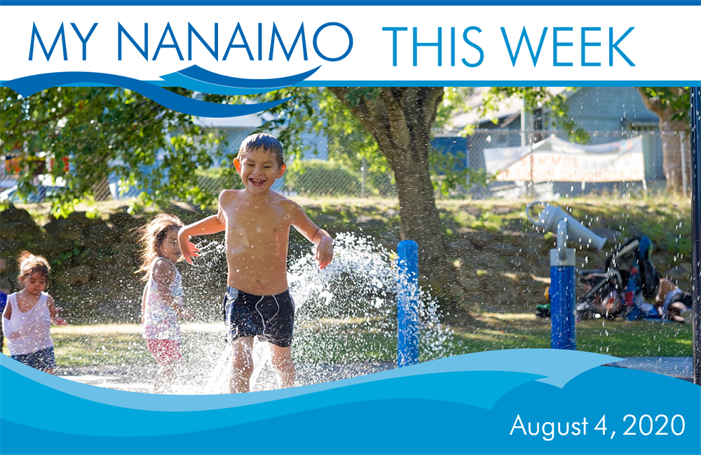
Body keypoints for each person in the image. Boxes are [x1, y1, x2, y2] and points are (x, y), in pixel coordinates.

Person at [177, 133, 333, 393]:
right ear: (238, 165)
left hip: (278, 299)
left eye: (266, 166)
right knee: (241, 363)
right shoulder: (228, 199)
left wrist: (325, 242)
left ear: (280, 171)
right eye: (250, 164)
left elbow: (317, 233)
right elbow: (220, 221)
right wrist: (185, 232)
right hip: (240, 298)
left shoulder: (288, 208)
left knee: (281, 362)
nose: (257, 172)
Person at [136, 214, 195, 393]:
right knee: (169, 364)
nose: (177, 246)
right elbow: (162, 291)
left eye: (180, 242)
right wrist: (180, 310)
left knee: (170, 364)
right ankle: (160, 395)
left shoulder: (162, 264)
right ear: (158, 245)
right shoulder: (162, 265)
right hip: (161, 328)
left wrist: (143, 313)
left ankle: (163, 393)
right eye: (172, 242)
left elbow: (148, 290)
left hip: (161, 327)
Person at [2, 252, 66, 374]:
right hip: (20, 348)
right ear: (22, 279)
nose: (37, 285)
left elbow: (52, 316)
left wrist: (57, 319)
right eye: (32, 281)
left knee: (48, 374)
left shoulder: (47, 299)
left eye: (41, 282)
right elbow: (6, 319)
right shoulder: (13, 299)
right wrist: (12, 332)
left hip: (43, 345)